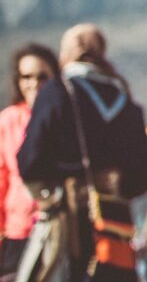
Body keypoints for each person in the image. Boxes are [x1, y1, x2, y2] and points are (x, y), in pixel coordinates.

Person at [17, 24, 147, 281]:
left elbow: (29, 163)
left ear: (68, 54)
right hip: (118, 228)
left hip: (71, 227)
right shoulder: (127, 104)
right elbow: (142, 179)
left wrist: (56, 185)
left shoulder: (58, 93)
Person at [0, 43, 60, 277]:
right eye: (26, 76)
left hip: (58, 229)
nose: (33, 83)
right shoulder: (7, 121)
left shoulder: (65, 121)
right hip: (18, 231)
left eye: (42, 76)